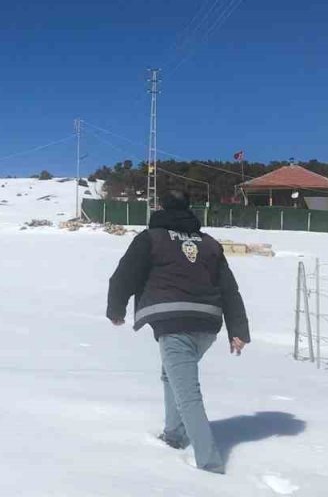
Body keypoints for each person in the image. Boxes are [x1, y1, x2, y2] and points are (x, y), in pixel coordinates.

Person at [106, 190, 250, 474]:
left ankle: (209, 464)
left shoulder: (151, 238)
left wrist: (116, 309)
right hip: (207, 325)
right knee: (171, 375)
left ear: (160, 208)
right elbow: (229, 288)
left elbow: (125, 274)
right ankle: (173, 435)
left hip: (174, 323)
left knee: (188, 394)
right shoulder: (208, 244)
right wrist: (239, 329)